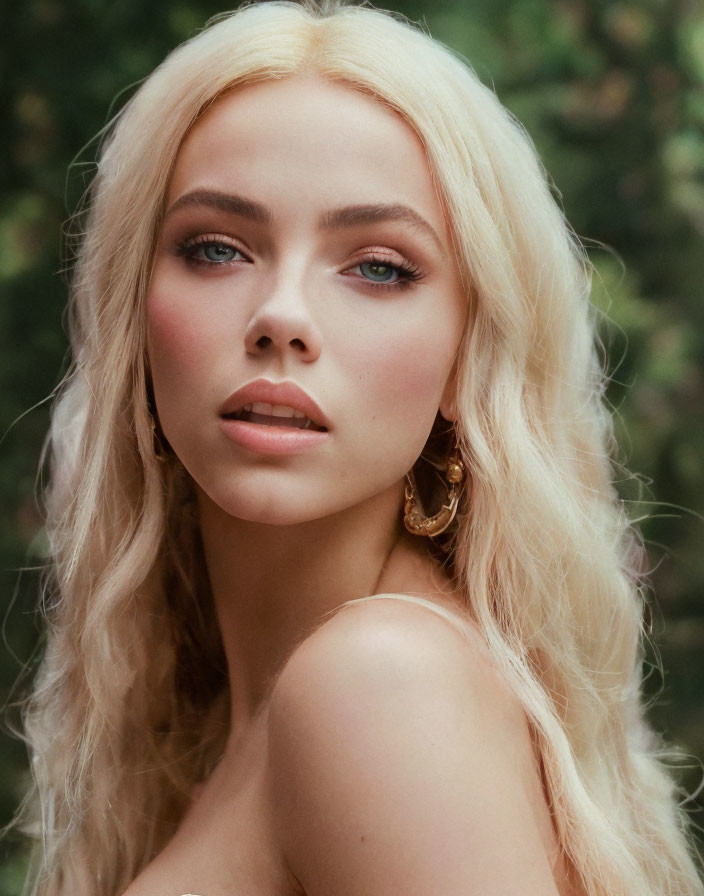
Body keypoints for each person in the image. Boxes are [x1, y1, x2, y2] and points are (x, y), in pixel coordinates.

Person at [17, 1, 703, 894]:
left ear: (469, 361)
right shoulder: (229, 712)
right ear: (135, 319)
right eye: (217, 248)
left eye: (379, 266)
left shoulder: (378, 684)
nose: (282, 317)